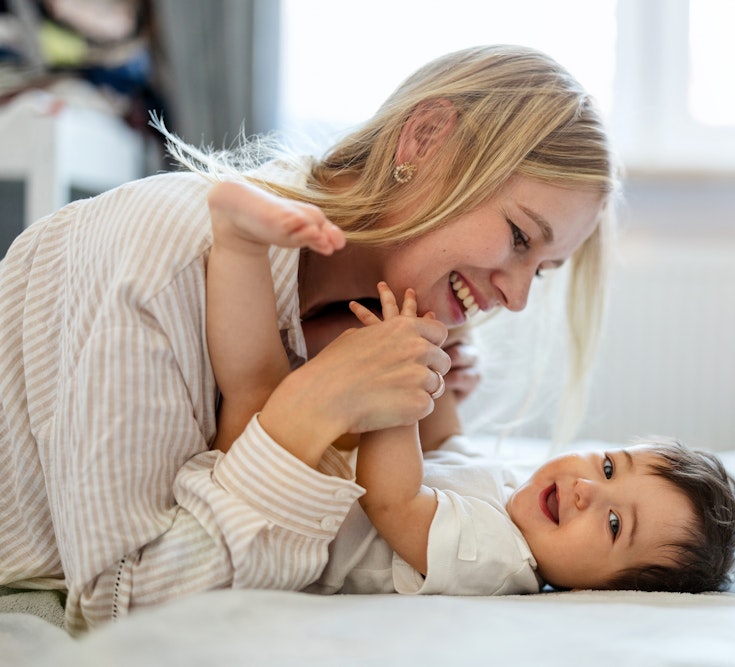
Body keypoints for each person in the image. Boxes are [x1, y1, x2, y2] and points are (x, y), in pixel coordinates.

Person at [0, 44, 617, 634]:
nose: (516, 297)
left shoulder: (359, 321)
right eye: (518, 239)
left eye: (541, 270)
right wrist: (307, 413)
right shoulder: (161, 255)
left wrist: (387, 406)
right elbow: (120, 607)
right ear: (425, 139)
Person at [206, 188, 735, 594]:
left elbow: (397, 503)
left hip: (278, 533)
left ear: (607, 588)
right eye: (608, 466)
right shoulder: (509, 493)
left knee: (255, 388)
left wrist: (398, 400)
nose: (587, 490)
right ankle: (239, 240)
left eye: (612, 523)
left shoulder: (500, 560)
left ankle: (239, 244)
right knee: (258, 385)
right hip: (304, 486)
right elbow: (444, 449)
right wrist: (440, 383)